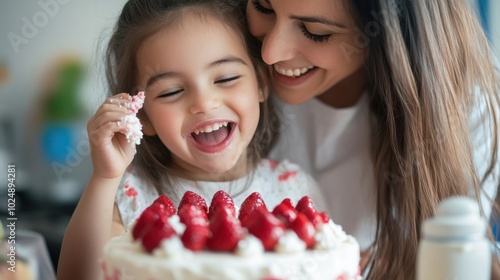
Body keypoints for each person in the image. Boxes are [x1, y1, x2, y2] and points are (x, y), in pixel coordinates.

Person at [57, 0, 326, 279]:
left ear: (260, 82)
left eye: (226, 78)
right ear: (143, 116)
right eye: (171, 91)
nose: (204, 103)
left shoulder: (297, 192)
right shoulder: (130, 199)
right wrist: (105, 177)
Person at [245, 0, 500, 279]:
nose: (270, 53)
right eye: (263, 7)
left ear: (389, 32)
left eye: (315, 31)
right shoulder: (217, 81)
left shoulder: (463, 113)